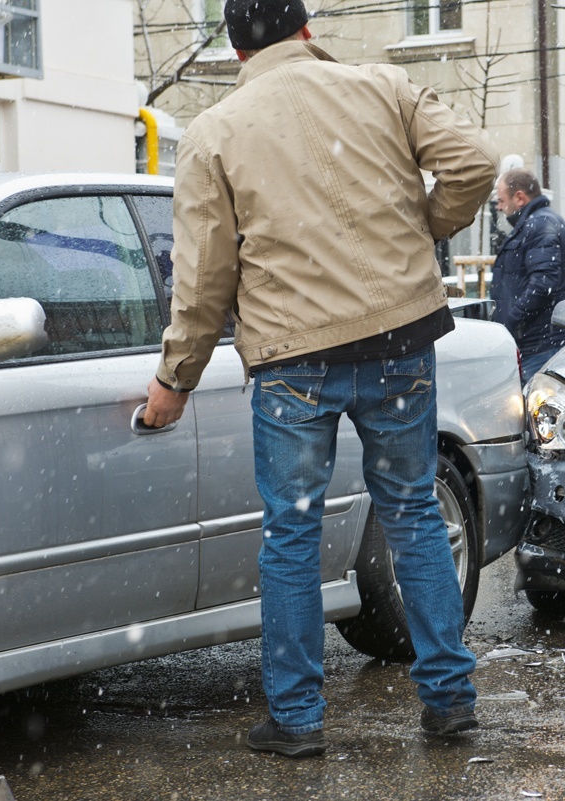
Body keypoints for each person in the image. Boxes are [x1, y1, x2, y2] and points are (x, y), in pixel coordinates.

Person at [142, 0, 499, 757]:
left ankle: (298, 718)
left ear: (239, 51)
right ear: (307, 31)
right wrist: (424, 226)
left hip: (293, 359)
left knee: (293, 533)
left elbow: (205, 276)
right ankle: (448, 697)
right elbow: (474, 163)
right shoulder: (383, 87)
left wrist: (177, 377)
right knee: (411, 511)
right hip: (400, 339)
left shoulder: (215, 133)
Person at [490, 168, 565, 382]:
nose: (499, 206)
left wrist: (513, 320)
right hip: (535, 342)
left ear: (519, 197)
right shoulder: (535, 223)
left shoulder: (539, 224)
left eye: (501, 200)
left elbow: (544, 283)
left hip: (538, 345)